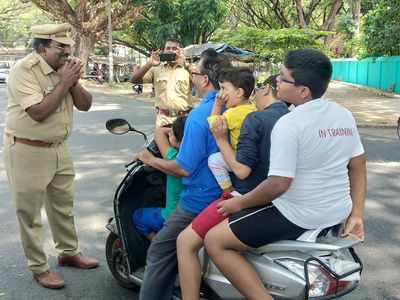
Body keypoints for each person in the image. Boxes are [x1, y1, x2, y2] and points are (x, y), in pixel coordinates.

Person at [203, 49, 367, 300]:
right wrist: (356, 213)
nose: (276, 81)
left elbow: (278, 185)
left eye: (282, 77)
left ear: (303, 91)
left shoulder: (290, 124)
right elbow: (358, 165)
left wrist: (239, 203)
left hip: (298, 215)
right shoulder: (342, 115)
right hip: (338, 211)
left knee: (214, 241)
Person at [176, 75, 290, 300]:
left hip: (245, 194)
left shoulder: (255, 119)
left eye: (225, 88)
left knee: (185, 241)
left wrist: (220, 139)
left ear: (267, 89)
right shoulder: (289, 118)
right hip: (277, 196)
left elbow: (241, 171)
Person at [3, 23, 98, 290]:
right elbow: (38, 112)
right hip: (27, 149)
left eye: (68, 47)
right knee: (30, 214)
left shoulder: (64, 70)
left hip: (58, 148)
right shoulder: (24, 70)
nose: (67, 53)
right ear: (43, 47)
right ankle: (39, 267)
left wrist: (73, 81)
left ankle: (68, 252)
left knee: (63, 206)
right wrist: (64, 81)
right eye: (61, 48)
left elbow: (86, 105)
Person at [135, 48, 231, 300]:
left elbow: (183, 167)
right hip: (228, 193)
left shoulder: (199, 117)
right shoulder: (231, 105)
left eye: (195, 71)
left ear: (205, 79)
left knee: (159, 250)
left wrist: (150, 159)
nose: (192, 75)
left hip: (199, 199)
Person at [133, 116, 187, 240]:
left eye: (172, 135)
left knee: (138, 216)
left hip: (171, 216)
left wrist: (173, 130)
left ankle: (157, 243)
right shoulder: (203, 156)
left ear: (178, 142)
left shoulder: (173, 157)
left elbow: (159, 131)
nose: (170, 136)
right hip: (194, 213)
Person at [207, 67, 256, 193]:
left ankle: (228, 191)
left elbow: (213, 125)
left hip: (239, 158)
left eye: (224, 88)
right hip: (253, 157)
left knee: (213, 160)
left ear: (239, 92)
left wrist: (217, 105)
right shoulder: (253, 107)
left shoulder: (232, 114)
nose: (220, 94)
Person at [130, 38, 192, 127]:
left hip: (185, 119)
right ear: (163, 50)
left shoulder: (187, 69)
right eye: (168, 48)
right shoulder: (156, 69)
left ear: (181, 51)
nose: (171, 51)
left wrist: (185, 64)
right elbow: (134, 80)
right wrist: (149, 63)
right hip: (163, 120)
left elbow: (202, 84)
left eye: (174, 48)